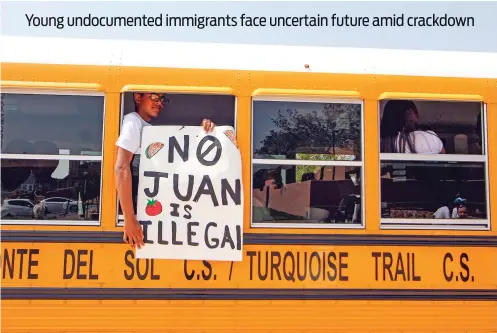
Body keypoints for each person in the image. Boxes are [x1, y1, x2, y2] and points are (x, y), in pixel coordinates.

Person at [115, 92, 218, 249]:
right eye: (155, 97)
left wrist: (206, 131)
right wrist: (129, 219)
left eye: (162, 100)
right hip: (141, 217)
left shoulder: (152, 131)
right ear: (137, 98)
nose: (160, 103)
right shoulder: (133, 122)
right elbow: (122, 167)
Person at [380, 100, 445, 154]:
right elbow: (444, 159)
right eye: (416, 113)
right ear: (410, 114)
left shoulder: (380, 142)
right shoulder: (429, 138)